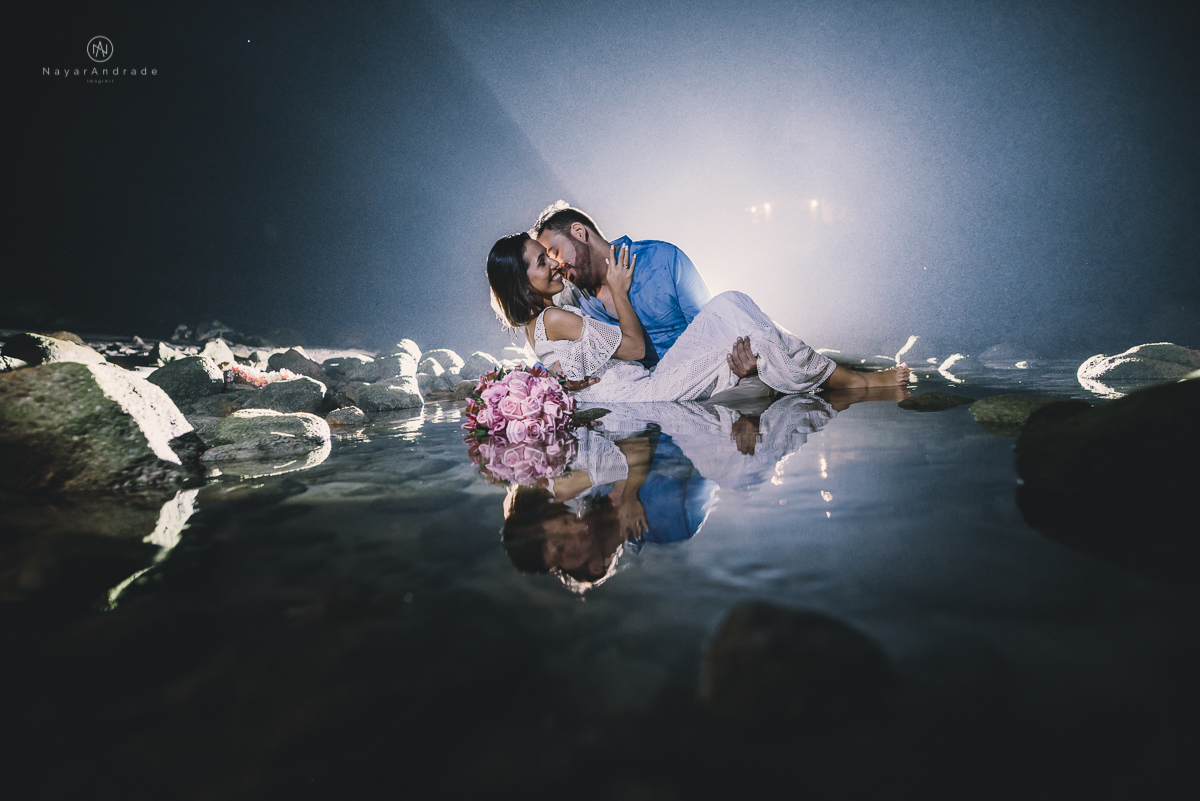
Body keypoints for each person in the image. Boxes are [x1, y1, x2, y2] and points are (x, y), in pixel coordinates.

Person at [485, 231, 909, 405]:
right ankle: (858, 384)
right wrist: (618, 290)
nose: (555, 266)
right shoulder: (559, 313)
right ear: (523, 284)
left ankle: (850, 381)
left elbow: (558, 366)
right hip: (649, 391)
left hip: (646, 388)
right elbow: (632, 350)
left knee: (734, 318)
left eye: (553, 254)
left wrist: (564, 382)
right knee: (730, 309)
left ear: (579, 232)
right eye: (543, 262)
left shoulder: (540, 324)